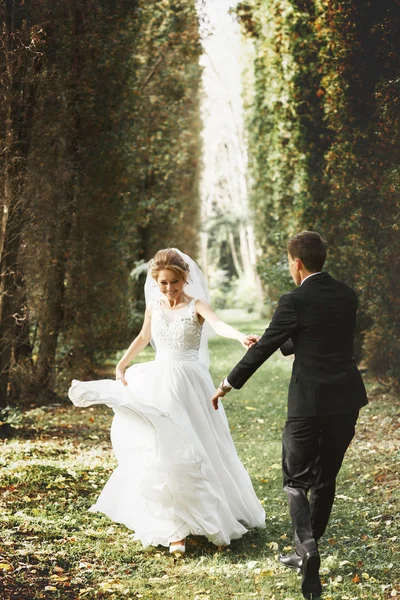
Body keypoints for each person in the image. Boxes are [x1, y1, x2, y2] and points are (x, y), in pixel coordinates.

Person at [68, 248, 265, 554]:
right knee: (164, 446)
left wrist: (239, 336)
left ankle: (206, 512)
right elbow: (144, 337)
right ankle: (174, 528)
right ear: (155, 282)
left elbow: (218, 325)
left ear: (185, 279)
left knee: (196, 444)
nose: (169, 288)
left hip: (190, 384)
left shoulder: (196, 305)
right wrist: (122, 363)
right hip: (159, 380)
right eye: (163, 283)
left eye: (174, 282)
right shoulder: (155, 306)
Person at [211, 231, 368, 600]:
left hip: (308, 404)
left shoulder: (293, 299)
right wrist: (281, 337)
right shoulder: (347, 295)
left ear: (296, 262)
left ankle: (307, 548)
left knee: (296, 480)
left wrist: (227, 384)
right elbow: (320, 335)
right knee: (326, 478)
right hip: (346, 398)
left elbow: (266, 347)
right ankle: (304, 551)